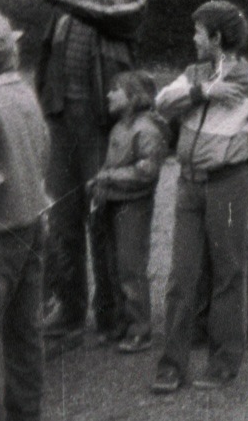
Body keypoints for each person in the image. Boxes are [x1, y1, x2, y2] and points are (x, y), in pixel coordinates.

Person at [152, 1, 248, 395]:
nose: (194, 38)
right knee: (181, 276)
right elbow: (162, 102)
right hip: (188, 184)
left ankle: (224, 362)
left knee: (229, 273)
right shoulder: (193, 74)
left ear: (216, 37)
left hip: (229, 185)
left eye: (199, 32)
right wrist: (205, 91)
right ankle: (172, 364)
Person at [13, 0, 146, 345]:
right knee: (62, 219)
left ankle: (112, 314)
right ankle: (69, 310)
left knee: (102, 217)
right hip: (62, 121)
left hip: (101, 125)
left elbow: (102, 11)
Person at [0, 13, 49, 421]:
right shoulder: (25, 94)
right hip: (31, 221)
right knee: (25, 331)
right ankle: (27, 413)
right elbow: (43, 152)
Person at [88, 70, 168, 353]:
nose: (109, 94)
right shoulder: (119, 127)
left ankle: (140, 329)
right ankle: (121, 323)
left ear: (134, 96)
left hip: (133, 205)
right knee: (113, 265)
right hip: (113, 201)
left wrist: (108, 177)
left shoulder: (146, 129)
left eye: (116, 89)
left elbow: (147, 172)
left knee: (130, 267)